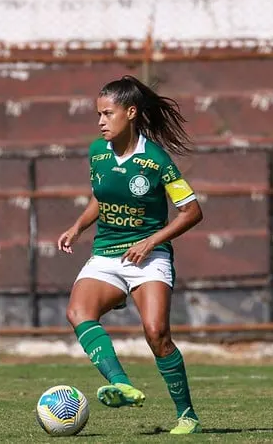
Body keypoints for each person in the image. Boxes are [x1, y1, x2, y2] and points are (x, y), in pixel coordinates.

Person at [57, 75, 204, 435]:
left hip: (148, 257)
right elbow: (101, 197)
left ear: (131, 112)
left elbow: (192, 211)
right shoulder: (97, 153)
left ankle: (188, 416)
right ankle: (121, 383)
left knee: (157, 333)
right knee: (77, 311)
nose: (101, 122)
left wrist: (151, 241)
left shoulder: (155, 160)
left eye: (108, 114)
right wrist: (78, 226)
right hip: (107, 253)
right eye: (98, 115)